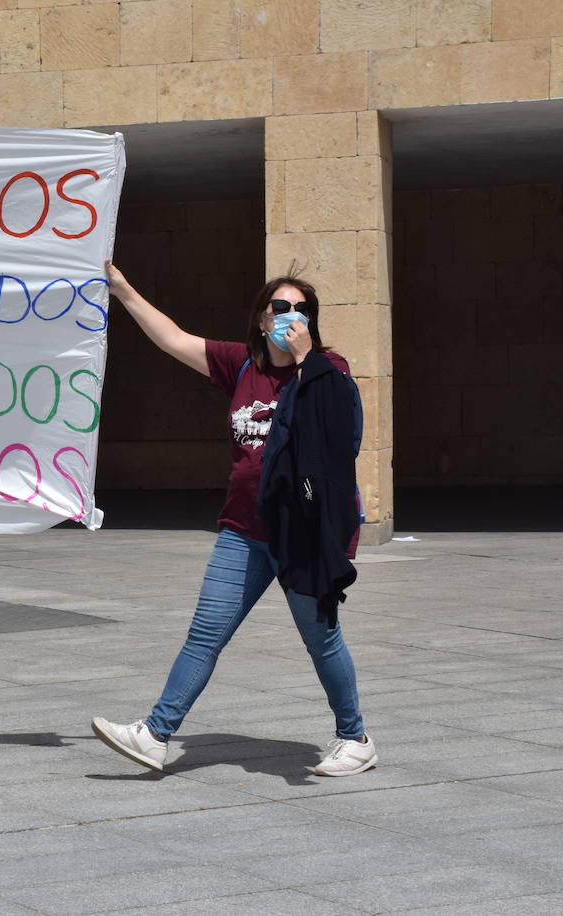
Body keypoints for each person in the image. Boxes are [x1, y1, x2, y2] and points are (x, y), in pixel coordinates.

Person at [90, 262, 376, 778]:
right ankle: (155, 734)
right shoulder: (242, 366)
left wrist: (307, 356)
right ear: (261, 318)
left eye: (302, 309)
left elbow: (338, 426)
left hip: (304, 536)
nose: (291, 315)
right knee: (205, 633)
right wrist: (123, 289)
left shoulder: (329, 368)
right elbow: (174, 338)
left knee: (322, 640)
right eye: (281, 307)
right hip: (243, 531)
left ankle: (355, 738)